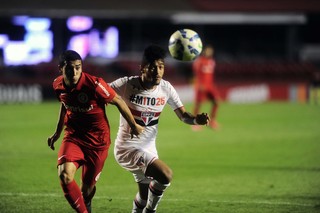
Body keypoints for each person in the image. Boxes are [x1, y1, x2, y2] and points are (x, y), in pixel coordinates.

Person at [109, 44, 209, 213]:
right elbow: (100, 90)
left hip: (149, 147)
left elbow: (184, 116)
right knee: (165, 175)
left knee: (144, 194)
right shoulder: (126, 84)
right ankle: (150, 210)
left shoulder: (166, 88)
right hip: (128, 148)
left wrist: (196, 120)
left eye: (161, 67)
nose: (157, 71)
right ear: (142, 68)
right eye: (153, 67)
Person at [47, 50, 144, 213]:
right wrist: (57, 133)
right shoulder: (57, 84)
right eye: (70, 68)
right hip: (73, 137)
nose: (75, 72)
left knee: (87, 189)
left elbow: (118, 101)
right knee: (64, 175)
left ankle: (87, 203)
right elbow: (64, 104)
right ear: (60, 69)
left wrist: (133, 125)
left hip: (97, 142)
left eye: (78, 67)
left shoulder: (94, 84)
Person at [192, 44, 220, 130]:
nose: (209, 52)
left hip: (210, 86)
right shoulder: (199, 61)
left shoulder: (212, 61)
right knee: (198, 104)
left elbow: (210, 75)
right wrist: (199, 84)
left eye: (211, 51)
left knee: (216, 102)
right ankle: (195, 123)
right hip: (201, 86)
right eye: (208, 50)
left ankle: (212, 121)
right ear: (204, 51)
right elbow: (196, 74)